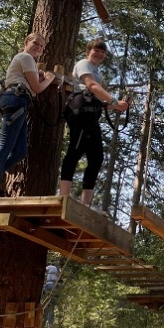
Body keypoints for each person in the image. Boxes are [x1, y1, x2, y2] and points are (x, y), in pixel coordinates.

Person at [0, 33, 57, 198]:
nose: (39, 47)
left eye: (42, 46)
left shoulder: (28, 62)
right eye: (36, 43)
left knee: (20, 151)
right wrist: (49, 78)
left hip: (18, 100)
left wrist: (40, 74)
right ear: (26, 42)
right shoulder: (25, 57)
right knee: (5, 144)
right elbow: (36, 88)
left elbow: (31, 79)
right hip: (16, 99)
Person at [59, 39, 128, 207]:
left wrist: (118, 105)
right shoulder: (84, 64)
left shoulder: (96, 72)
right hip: (81, 111)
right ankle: (63, 198)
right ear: (88, 51)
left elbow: (100, 100)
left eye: (103, 52)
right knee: (75, 150)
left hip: (90, 113)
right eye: (96, 50)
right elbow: (91, 85)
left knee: (96, 157)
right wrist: (114, 101)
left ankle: (85, 205)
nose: (100, 54)